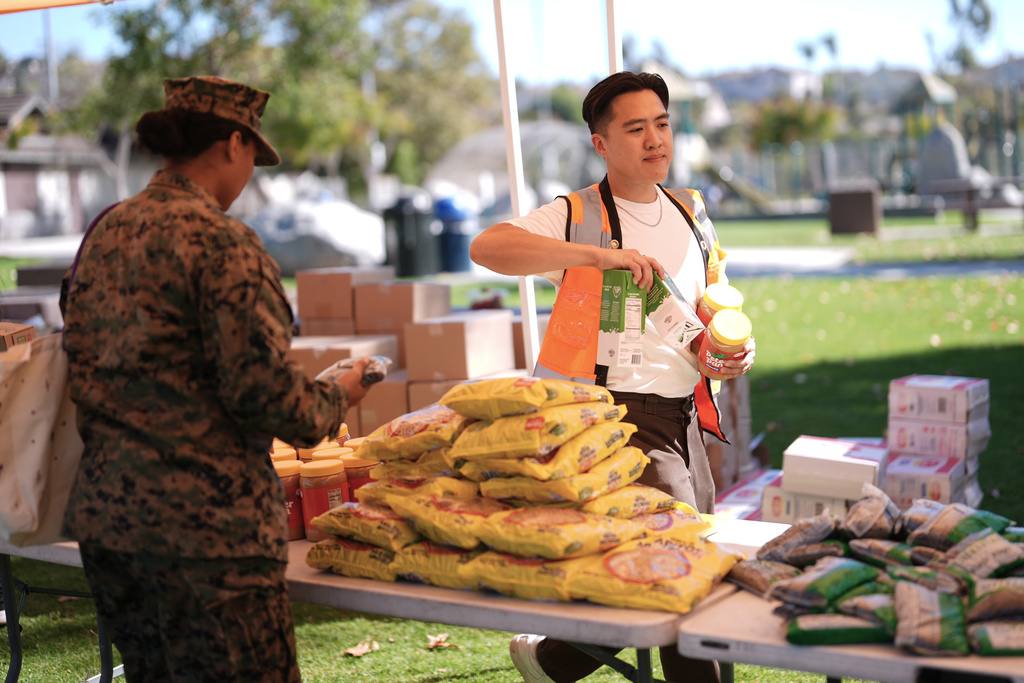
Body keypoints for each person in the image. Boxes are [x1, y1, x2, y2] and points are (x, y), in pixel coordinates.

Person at [59, 76, 372, 682]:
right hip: (206, 536)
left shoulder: (106, 235)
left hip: (111, 527)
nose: (251, 169)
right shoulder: (221, 242)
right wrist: (340, 394)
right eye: (254, 153)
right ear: (233, 144)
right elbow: (265, 397)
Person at [469, 71, 755, 683]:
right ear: (601, 143)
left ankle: (552, 658)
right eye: (635, 128)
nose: (656, 139)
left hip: (683, 418)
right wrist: (598, 256)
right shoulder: (577, 214)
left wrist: (725, 354)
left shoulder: (691, 210)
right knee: (683, 569)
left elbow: (700, 313)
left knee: (680, 567)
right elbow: (488, 247)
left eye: (663, 123)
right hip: (617, 420)